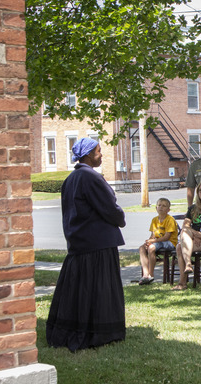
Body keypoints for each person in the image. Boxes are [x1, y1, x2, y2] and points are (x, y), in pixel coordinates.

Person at [46, 137, 127, 352]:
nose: (101, 155)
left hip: (80, 242)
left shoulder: (72, 178)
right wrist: (121, 219)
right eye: (99, 151)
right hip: (97, 243)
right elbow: (110, 208)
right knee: (99, 289)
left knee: (82, 290)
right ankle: (99, 331)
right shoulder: (90, 177)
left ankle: (78, 327)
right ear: (89, 154)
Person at [138, 198, 178, 285]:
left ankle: (151, 275)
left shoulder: (170, 220)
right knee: (142, 248)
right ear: (156, 208)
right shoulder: (154, 220)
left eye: (164, 206)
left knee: (152, 248)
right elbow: (153, 235)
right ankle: (145, 274)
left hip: (170, 243)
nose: (161, 207)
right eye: (159, 205)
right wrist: (149, 241)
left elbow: (167, 237)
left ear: (168, 210)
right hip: (158, 242)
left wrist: (153, 241)